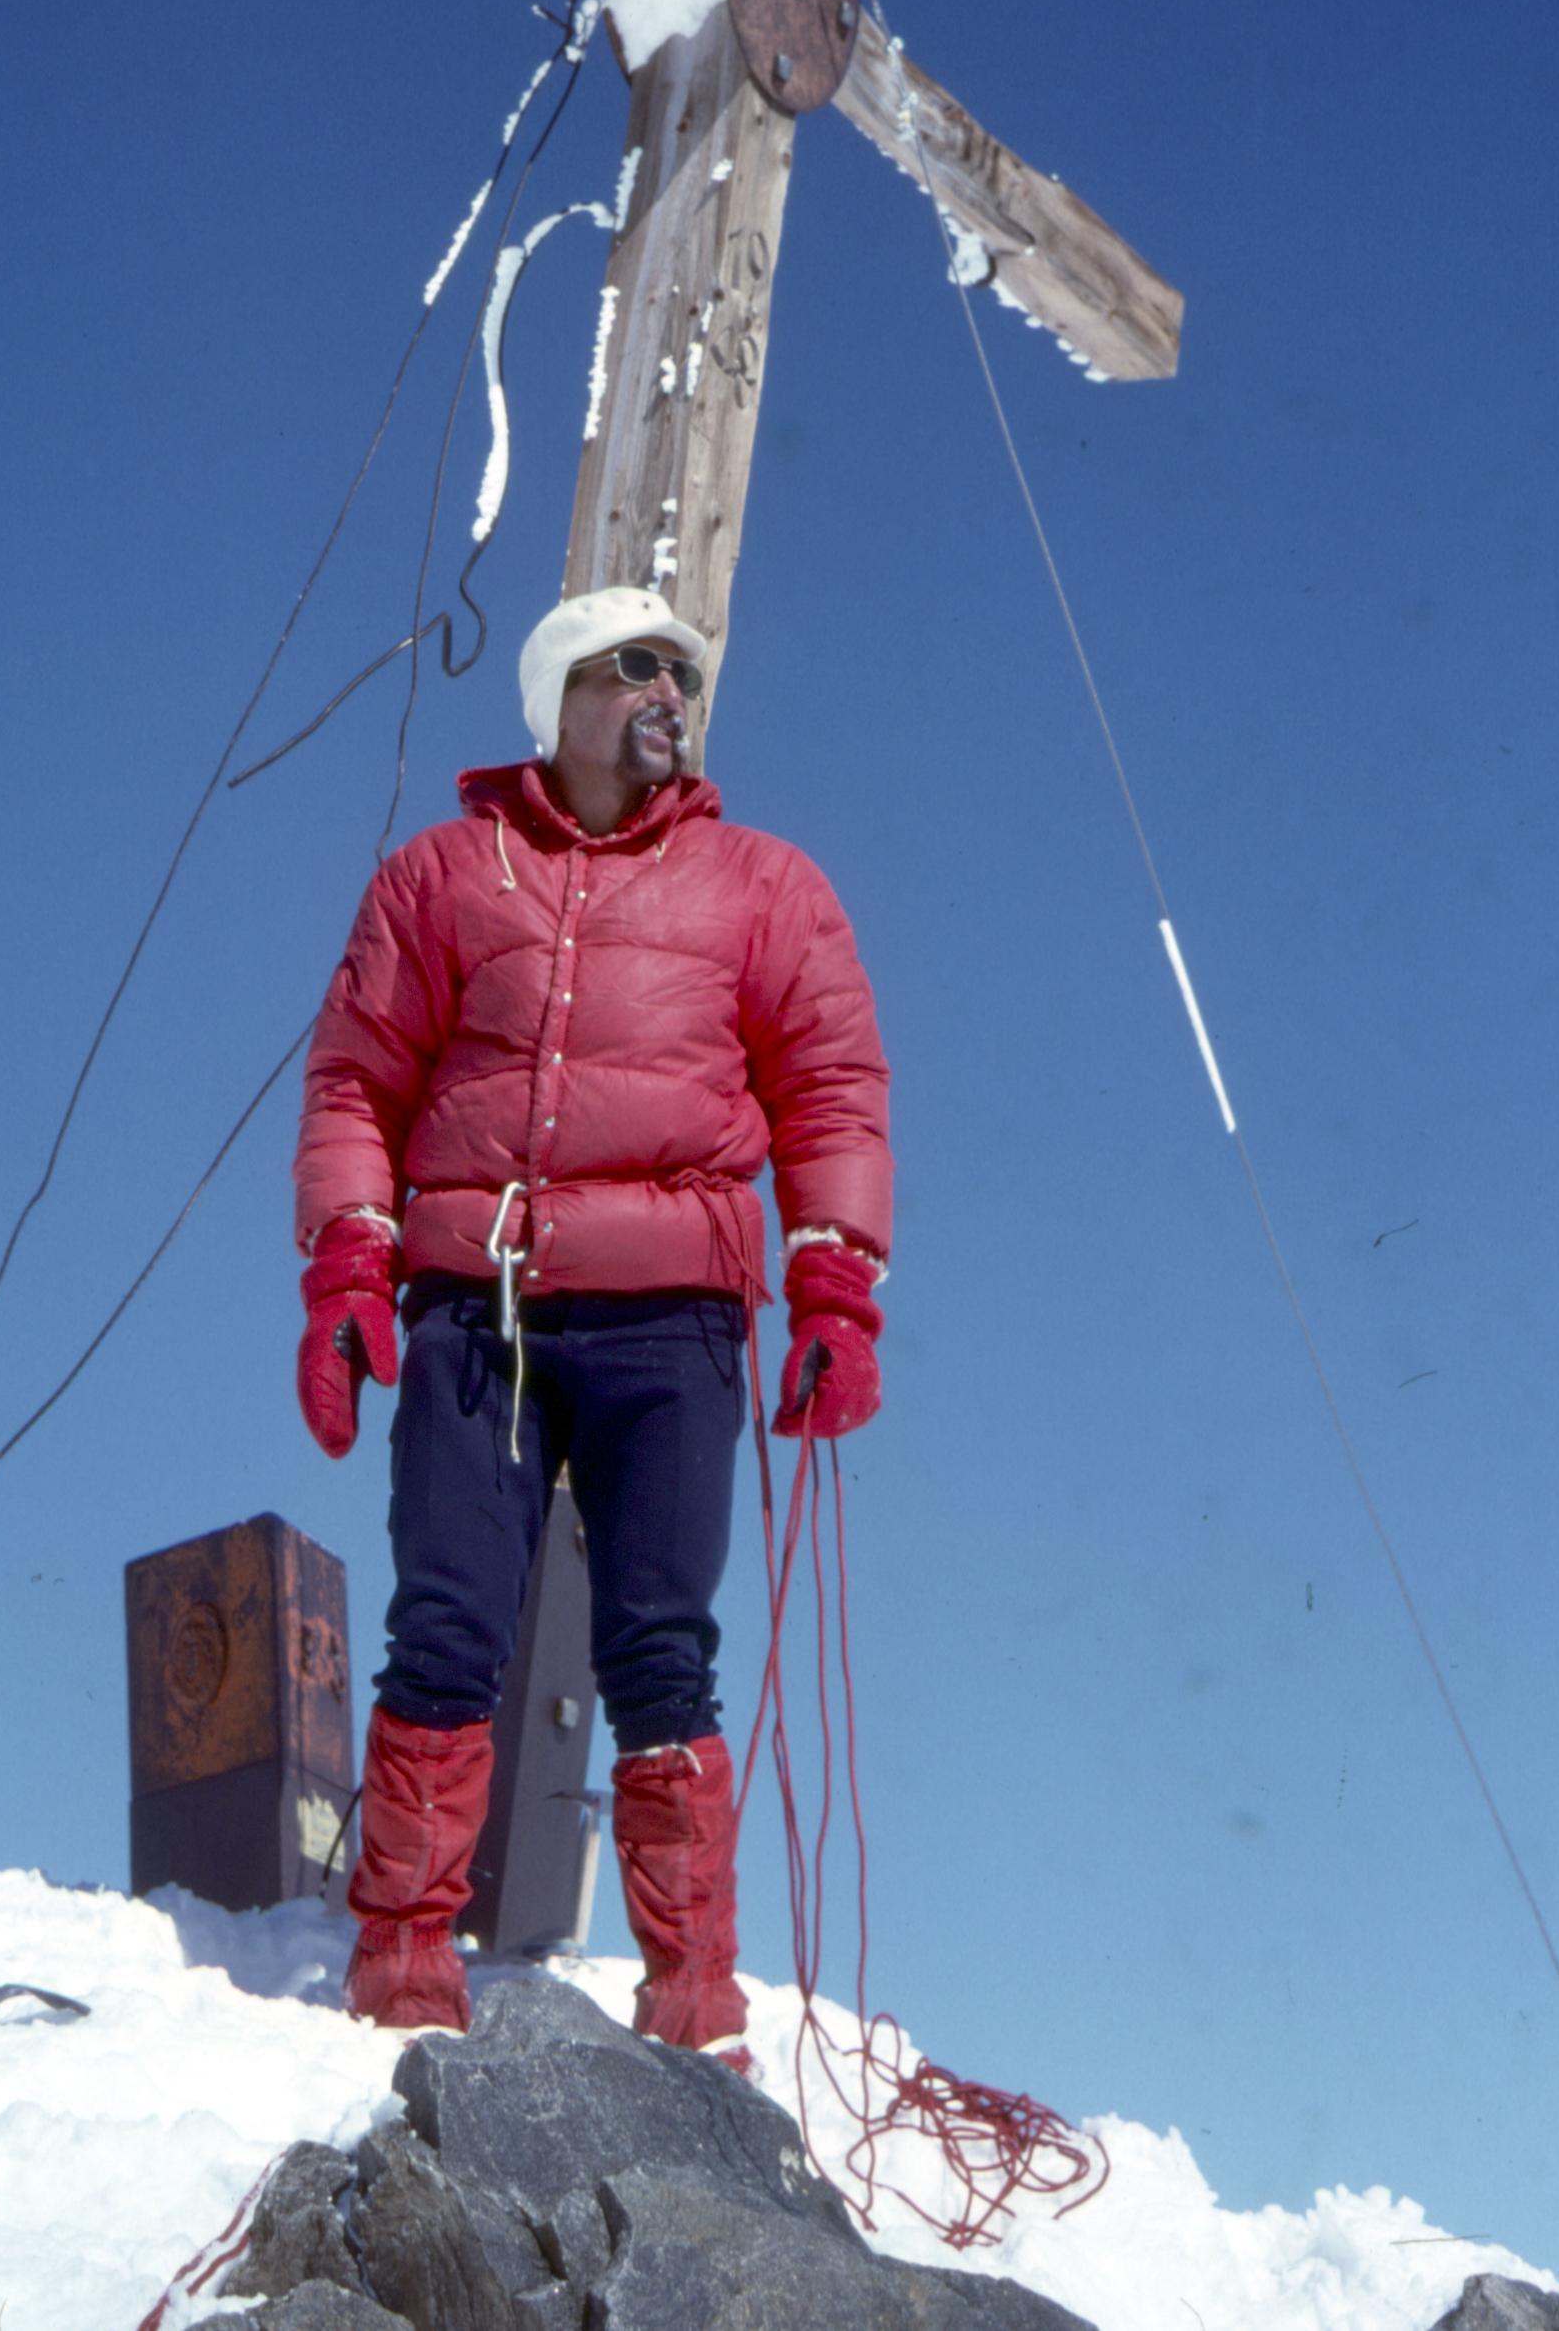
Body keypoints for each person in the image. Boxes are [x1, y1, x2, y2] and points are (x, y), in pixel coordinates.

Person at [293, 585, 893, 2054]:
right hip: (479, 1308)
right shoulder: (440, 875)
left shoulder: (765, 885)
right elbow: (357, 1082)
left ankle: (693, 1997)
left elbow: (830, 1088)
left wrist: (835, 1285)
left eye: (684, 672)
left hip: (672, 1322)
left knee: (659, 1649)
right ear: (557, 694)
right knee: (446, 1625)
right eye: (635, 667)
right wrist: (349, 1270)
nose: (668, 693)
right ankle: (402, 1957)